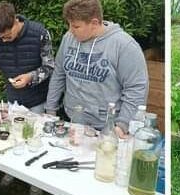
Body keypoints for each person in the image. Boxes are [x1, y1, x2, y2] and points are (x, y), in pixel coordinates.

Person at [45, 0, 148, 135]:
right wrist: (51, 109)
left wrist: (122, 125)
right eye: (69, 25)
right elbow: (59, 73)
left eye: (76, 26)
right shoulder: (68, 38)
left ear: (94, 23)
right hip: (71, 120)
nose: (70, 30)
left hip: (105, 127)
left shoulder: (124, 46)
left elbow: (136, 88)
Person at [0, 2, 55, 113]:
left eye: (7, 36)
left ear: (15, 21)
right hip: (13, 101)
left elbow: (49, 67)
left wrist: (30, 77)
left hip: (38, 102)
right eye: (0, 37)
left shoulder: (40, 34)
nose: (3, 40)